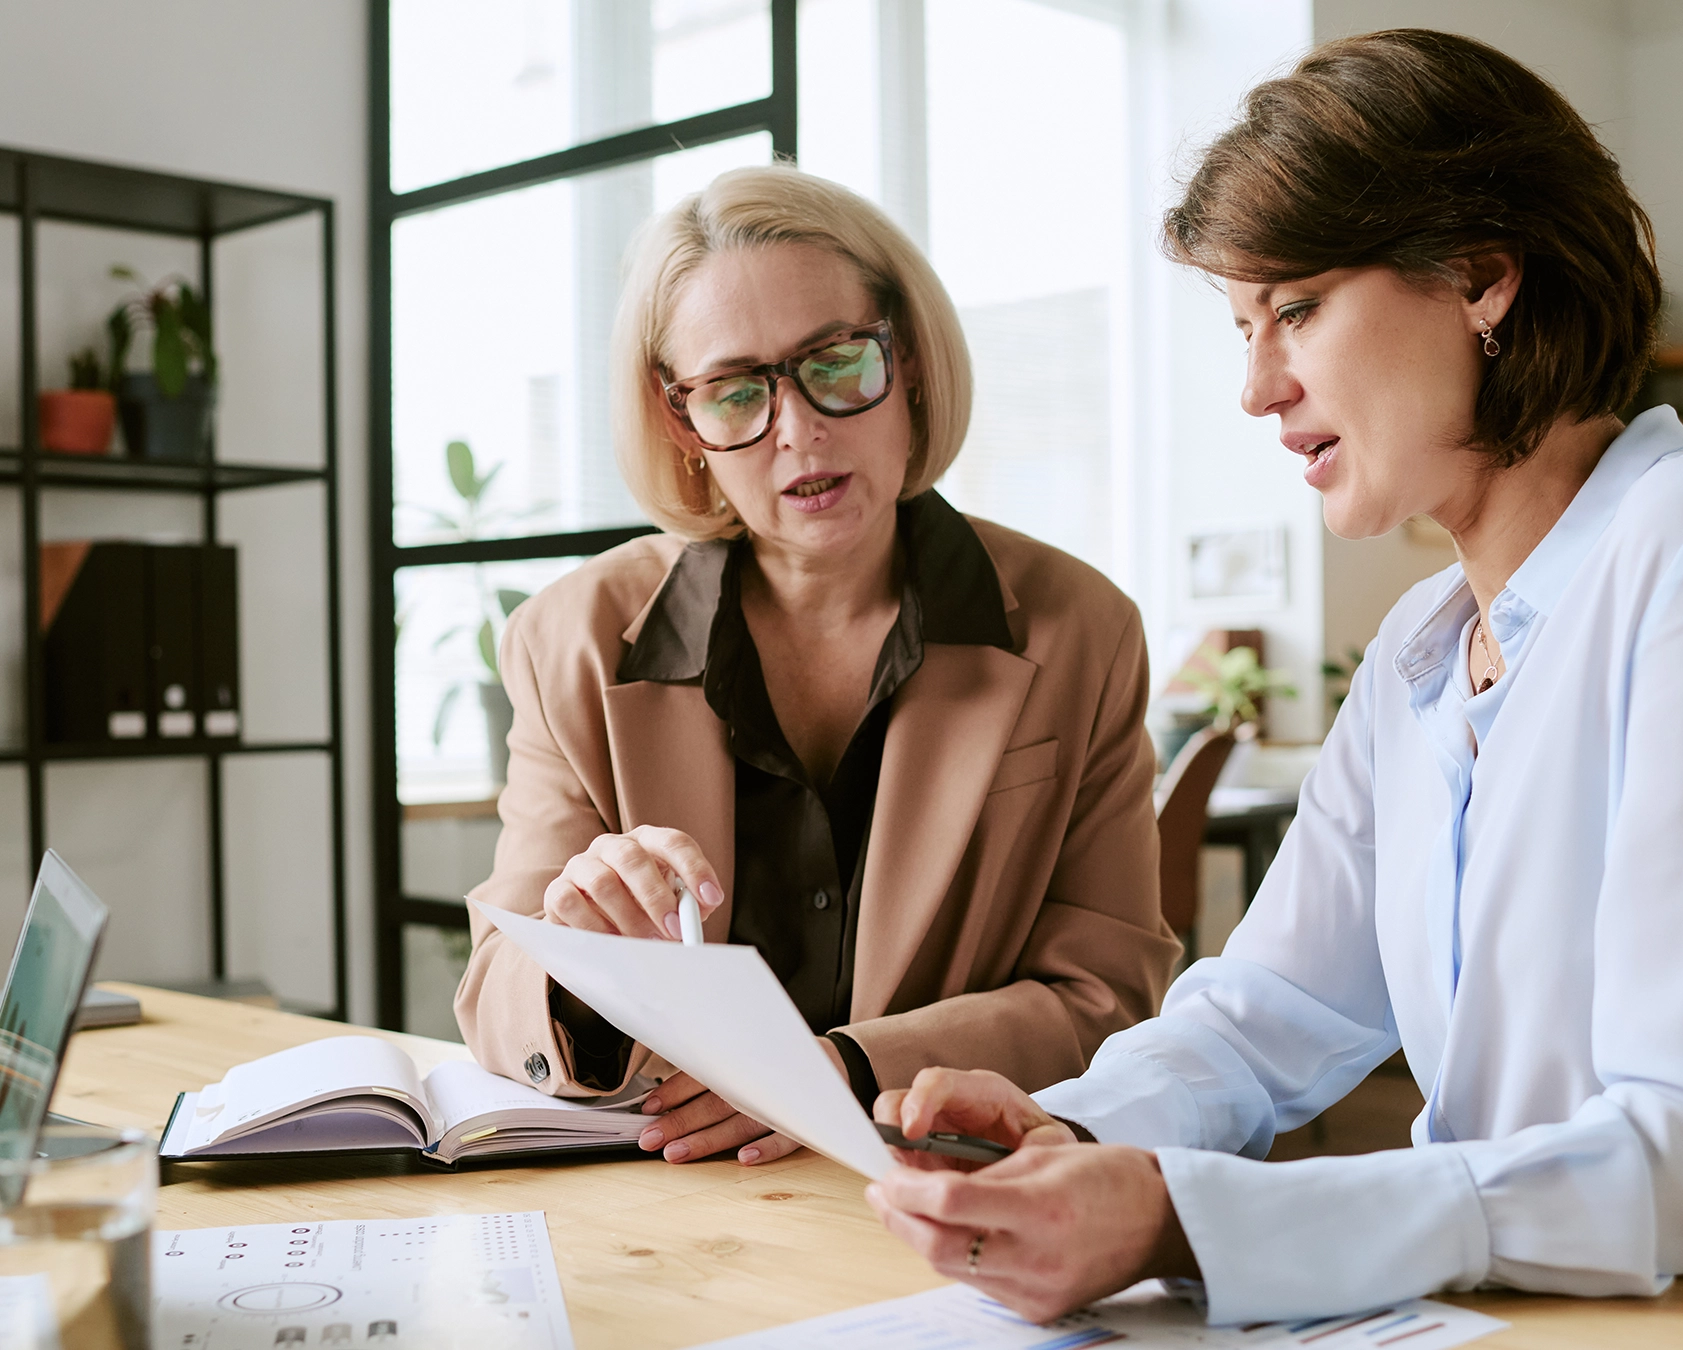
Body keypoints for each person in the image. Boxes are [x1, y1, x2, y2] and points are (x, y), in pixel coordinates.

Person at [864, 29, 1683, 1323]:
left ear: (1481, 278)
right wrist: (1057, 1126)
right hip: (1537, 1300)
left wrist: (1183, 1215)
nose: (1254, 388)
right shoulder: (1419, 650)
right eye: (1240, 328)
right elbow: (1266, 1010)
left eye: (1293, 310)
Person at [455, 165, 1178, 1168]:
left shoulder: (1079, 628)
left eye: (835, 362)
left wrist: (842, 1070)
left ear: (909, 357)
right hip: (672, 1187)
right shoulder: (568, 640)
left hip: (952, 1178)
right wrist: (576, 967)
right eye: (736, 392)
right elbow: (495, 987)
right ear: (683, 423)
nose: (798, 430)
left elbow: (1109, 996)